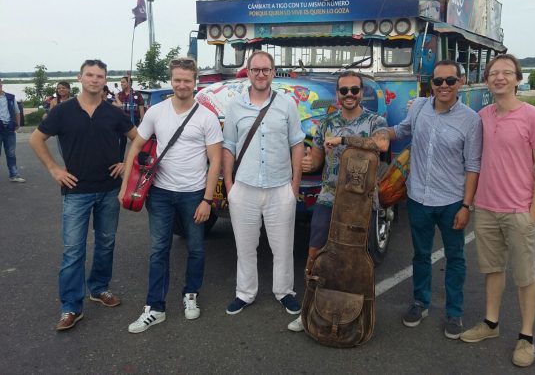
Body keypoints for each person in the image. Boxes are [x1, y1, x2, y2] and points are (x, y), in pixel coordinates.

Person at [29, 59, 137, 331]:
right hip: (76, 192)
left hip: (109, 190)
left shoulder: (113, 113)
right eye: (89, 74)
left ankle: (99, 288)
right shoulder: (63, 111)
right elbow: (35, 139)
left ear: (104, 80)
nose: (94, 79)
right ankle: (70, 307)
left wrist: (126, 163)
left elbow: (137, 137)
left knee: (106, 243)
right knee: (73, 251)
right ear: (80, 78)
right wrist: (54, 169)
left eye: (100, 76)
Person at [460, 54, 535, 368]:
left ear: (517, 79)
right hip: (486, 208)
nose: (499, 77)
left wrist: (534, 212)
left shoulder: (534, 117)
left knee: (525, 276)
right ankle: (490, 323)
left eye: (506, 73)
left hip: (520, 211)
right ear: (486, 80)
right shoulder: (483, 115)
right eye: (494, 73)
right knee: (492, 269)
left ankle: (526, 337)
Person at [120, 57, 222, 333]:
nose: (182, 85)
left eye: (187, 80)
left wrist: (207, 200)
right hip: (161, 194)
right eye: (177, 79)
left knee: (197, 249)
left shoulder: (206, 117)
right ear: (171, 80)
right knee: (158, 250)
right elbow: (135, 147)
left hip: (194, 193)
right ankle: (155, 307)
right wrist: (124, 187)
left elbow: (215, 161)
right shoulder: (156, 112)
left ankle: (191, 295)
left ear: (195, 82)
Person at [287, 70, 389, 332]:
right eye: (344, 90)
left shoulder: (374, 120)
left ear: (361, 92)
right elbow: (319, 156)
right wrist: (310, 162)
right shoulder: (327, 122)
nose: (349, 95)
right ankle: (308, 309)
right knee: (316, 252)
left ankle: (355, 316)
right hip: (329, 195)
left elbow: (382, 145)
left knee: (356, 258)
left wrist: (344, 139)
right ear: (338, 94)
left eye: (354, 90)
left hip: (360, 203)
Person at [388, 60, 482, 339]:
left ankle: (454, 312)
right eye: (438, 81)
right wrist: (379, 133)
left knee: (455, 257)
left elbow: (473, 165)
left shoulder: (470, 120)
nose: (443, 86)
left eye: (450, 81)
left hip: (452, 201)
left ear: (460, 83)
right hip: (418, 197)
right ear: (431, 84)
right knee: (420, 255)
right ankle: (420, 302)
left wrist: (466, 205)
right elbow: (402, 131)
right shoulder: (418, 108)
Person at [222, 50, 305, 315]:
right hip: (243, 188)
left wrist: (294, 187)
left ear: (273, 73)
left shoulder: (287, 104)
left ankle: (284, 291)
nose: (260, 74)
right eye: (255, 69)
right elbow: (229, 147)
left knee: (283, 247)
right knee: (245, 247)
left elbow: (297, 144)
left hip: (280, 187)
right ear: (247, 72)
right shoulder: (235, 106)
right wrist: (229, 187)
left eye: (265, 70)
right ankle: (245, 293)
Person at [0, 78, 25, 182]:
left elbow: (17, 111)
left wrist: (18, 124)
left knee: (11, 153)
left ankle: (14, 175)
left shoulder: (10, 97)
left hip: (9, 128)